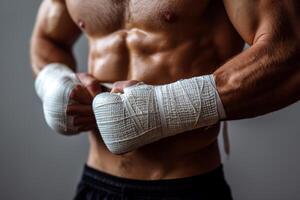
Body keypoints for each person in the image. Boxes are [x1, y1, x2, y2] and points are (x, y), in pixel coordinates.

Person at [30, 0, 300, 199]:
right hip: (96, 184)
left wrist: (160, 109)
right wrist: (56, 82)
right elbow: (47, 38)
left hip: (184, 186)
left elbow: (288, 48)